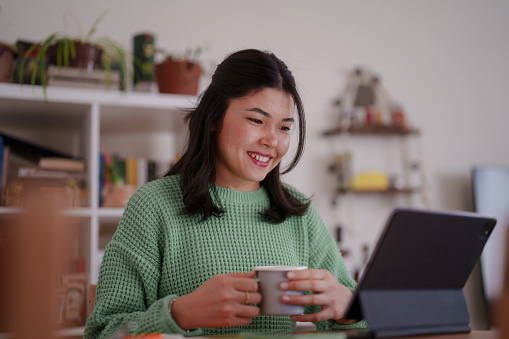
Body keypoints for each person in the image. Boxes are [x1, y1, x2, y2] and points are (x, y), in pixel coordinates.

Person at [84, 49, 367, 338]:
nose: (272, 140)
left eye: (284, 127)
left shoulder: (297, 212)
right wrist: (180, 313)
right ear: (215, 118)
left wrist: (348, 308)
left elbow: (367, 325)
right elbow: (105, 332)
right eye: (257, 120)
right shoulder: (153, 205)